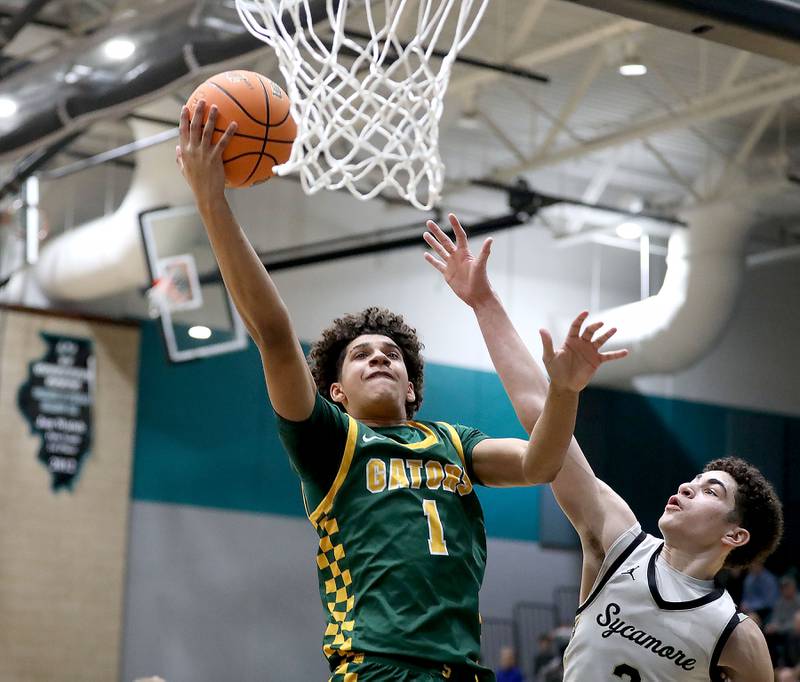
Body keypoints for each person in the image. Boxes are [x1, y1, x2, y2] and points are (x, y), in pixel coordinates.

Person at [176, 101, 627, 682]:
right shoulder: (329, 443)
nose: (380, 357)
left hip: (462, 671)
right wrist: (212, 199)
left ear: (412, 385)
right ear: (335, 391)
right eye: (361, 355)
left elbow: (542, 463)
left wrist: (564, 391)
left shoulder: (452, 442)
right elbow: (273, 332)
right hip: (378, 667)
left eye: (390, 353)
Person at [423, 214, 785, 682]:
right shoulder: (618, 542)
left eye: (711, 491)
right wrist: (484, 302)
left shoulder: (737, 637)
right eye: (693, 481)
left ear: (735, 536)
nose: (688, 487)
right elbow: (540, 417)